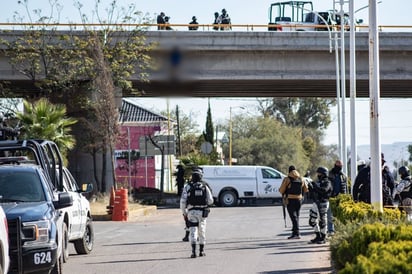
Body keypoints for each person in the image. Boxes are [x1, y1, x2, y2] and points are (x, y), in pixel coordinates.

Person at [180, 167, 214, 258]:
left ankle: (193, 252)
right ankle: (201, 251)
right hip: (202, 212)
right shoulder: (204, 186)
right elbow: (211, 201)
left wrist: (184, 213)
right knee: (202, 231)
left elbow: (183, 202)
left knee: (193, 231)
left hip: (191, 212)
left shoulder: (188, 186)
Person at [279, 165, 308, 239]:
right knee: (296, 216)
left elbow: (281, 190)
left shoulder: (287, 179)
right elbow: (306, 189)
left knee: (293, 217)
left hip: (290, 200)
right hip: (299, 200)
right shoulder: (301, 178)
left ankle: (296, 233)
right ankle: (295, 232)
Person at [307, 167, 332, 244]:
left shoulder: (327, 182)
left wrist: (315, 186)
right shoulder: (318, 181)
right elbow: (313, 193)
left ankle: (323, 237)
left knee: (322, 221)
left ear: (324, 174)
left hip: (323, 203)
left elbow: (324, 190)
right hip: (316, 202)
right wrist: (311, 188)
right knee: (312, 220)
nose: (318, 175)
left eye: (319, 173)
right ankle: (318, 236)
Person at [327, 160, 347, 235]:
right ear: (335, 165)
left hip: (341, 197)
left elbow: (345, 187)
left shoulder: (343, 175)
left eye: (341, 166)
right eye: (338, 165)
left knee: (339, 214)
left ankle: (338, 229)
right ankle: (331, 230)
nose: (340, 167)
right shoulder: (330, 174)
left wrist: (346, 196)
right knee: (330, 214)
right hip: (331, 197)